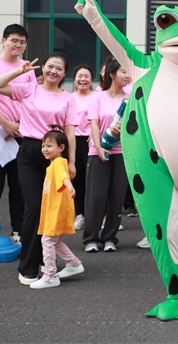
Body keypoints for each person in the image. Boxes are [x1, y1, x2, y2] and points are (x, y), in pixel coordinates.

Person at [0, 52, 79, 285]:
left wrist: (71, 161)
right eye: (50, 66)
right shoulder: (29, 89)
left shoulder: (68, 98)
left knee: (50, 210)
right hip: (30, 150)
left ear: (64, 73)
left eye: (58, 68)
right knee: (34, 207)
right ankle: (28, 266)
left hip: (54, 157)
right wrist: (19, 72)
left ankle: (44, 259)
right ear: (43, 68)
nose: (53, 71)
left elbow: (70, 132)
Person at [0, 24, 29, 242]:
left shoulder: (26, 68)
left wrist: (17, 125)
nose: (18, 45)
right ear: (3, 41)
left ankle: (18, 230)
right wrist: (5, 124)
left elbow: (30, 99)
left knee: (19, 187)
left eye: (22, 42)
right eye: (14, 40)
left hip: (19, 134)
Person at [84, 57, 129, 252]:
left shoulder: (131, 98)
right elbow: (94, 123)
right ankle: (91, 238)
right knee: (96, 197)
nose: (127, 76)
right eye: (123, 72)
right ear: (112, 74)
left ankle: (110, 237)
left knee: (117, 197)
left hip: (122, 152)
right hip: (98, 151)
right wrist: (99, 147)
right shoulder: (98, 97)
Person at [29, 130, 84, 290]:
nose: (45, 149)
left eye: (49, 146)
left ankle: (50, 275)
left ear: (61, 147)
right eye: (43, 146)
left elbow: (63, 176)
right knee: (55, 241)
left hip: (58, 209)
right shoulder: (52, 165)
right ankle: (73, 264)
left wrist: (69, 184)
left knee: (47, 240)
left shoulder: (59, 162)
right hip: (55, 209)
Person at [71, 64, 94, 231]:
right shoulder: (69, 97)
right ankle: (80, 214)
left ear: (91, 80)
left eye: (86, 76)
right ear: (74, 79)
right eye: (80, 76)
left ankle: (100, 215)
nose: (83, 79)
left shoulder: (97, 97)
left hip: (91, 141)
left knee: (93, 180)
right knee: (76, 179)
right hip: (73, 141)